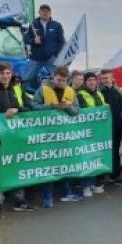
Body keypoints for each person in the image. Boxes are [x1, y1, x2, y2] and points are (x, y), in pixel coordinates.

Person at [0, 62, 32, 213]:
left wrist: (17, 110)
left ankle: (19, 199)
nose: (5, 76)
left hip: (16, 135)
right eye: (2, 73)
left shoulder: (18, 88)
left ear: (11, 74)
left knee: (18, 164)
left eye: (8, 73)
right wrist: (3, 115)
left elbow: (29, 106)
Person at [32, 66, 80, 206]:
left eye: (63, 80)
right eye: (58, 80)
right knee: (49, 166)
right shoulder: (43, 89)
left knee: (65, 165)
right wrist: (52, 106)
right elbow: (33, 106)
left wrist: (68, 107)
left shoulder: (71, 91)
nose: (60, 83)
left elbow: (77, 110)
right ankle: (47, 198)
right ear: (54, 77)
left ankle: (66, 193)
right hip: (47, 134)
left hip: (65, 135)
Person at [76, 72, 107, 196]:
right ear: (85, 82)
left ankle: (94, 183)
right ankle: (86, 186)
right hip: (87, 132)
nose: (92, 82)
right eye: (89, 80)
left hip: (99, 131)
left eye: (94, 80)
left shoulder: (99, 93)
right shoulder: (80, 94)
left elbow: (104, 107)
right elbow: (81, 111)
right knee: (87, 159)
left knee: (97, 158)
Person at [23, 4, 65, 92]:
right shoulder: (33, 25)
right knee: (26, 78)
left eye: (47, 11)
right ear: (39, 13)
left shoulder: (57, 25)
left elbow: (61, 42)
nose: (45, 13)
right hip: (36, 58)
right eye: (43, 11)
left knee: (59, 78)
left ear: (50, 13)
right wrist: (33, 40)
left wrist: (55, 54)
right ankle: (24, 94)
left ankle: (59, 94)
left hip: (51, 58)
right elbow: (25, 39)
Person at [99, 69, 122, 186]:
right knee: (102, 151)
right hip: (102, 129)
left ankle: (115, 175)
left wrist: (121, 120)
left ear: (112, 78)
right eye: (103, 78)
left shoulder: (119, 91)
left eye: (107, 78)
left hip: (116, 127)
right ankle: (101, 176)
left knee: (115, 151)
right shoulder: (99, 92)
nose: (105, 80)